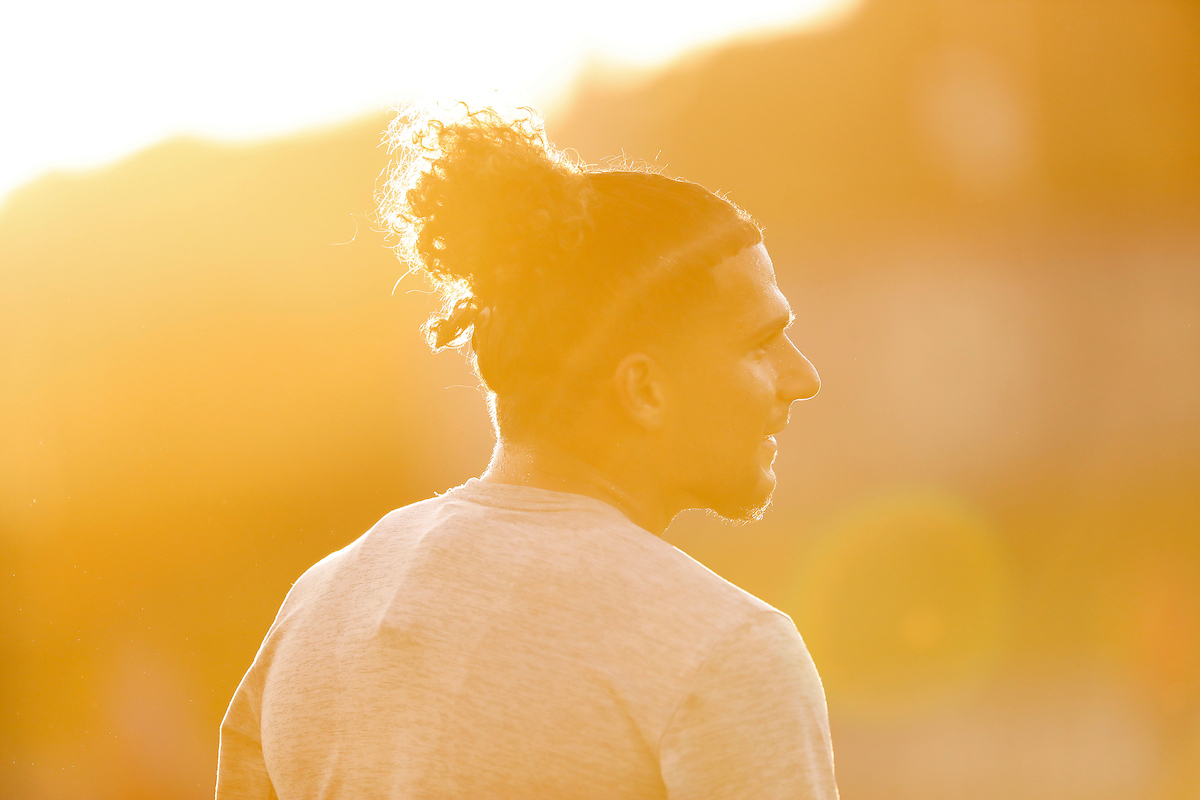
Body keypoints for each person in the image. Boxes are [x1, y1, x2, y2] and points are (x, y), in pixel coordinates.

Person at [215, 105, 836, 799]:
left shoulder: (320, 606)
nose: (802, 377)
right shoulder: (723, 652)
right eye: (760, 343)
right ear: (644, 389)